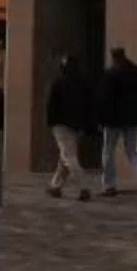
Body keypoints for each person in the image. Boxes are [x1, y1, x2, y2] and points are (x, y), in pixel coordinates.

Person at [97, 46, 137, 201]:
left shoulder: (111, 73)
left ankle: (109, 185)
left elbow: (104, 98)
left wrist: (101, 118)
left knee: (108, 151)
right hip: (132, 119)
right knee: (132, 151)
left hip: (113, 119)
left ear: (113, 57)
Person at [44, 55, 95, 199]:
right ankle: (55, 186)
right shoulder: (84, 83)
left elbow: (51, 105)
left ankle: (83, 186)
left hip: (60, 123)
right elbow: (90, 104)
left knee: (68, 157)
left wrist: (50, 121)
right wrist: (87, 124)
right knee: (65, 156)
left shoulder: (58, 83)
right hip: (77, 125)